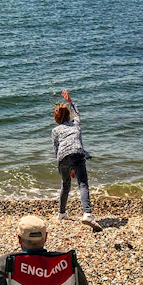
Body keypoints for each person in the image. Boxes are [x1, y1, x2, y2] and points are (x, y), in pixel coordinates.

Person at [52, 90, 102, 231]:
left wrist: (66, 168)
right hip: (77, 153)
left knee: (65, 184)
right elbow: (77, 114)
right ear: (69, 116)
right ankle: (87, 214)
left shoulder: (55, 131)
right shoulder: (75, 124)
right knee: (83, 184)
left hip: (62, 158)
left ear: (56, 120)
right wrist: (70, 102)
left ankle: (61, 213)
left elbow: (56, 149)